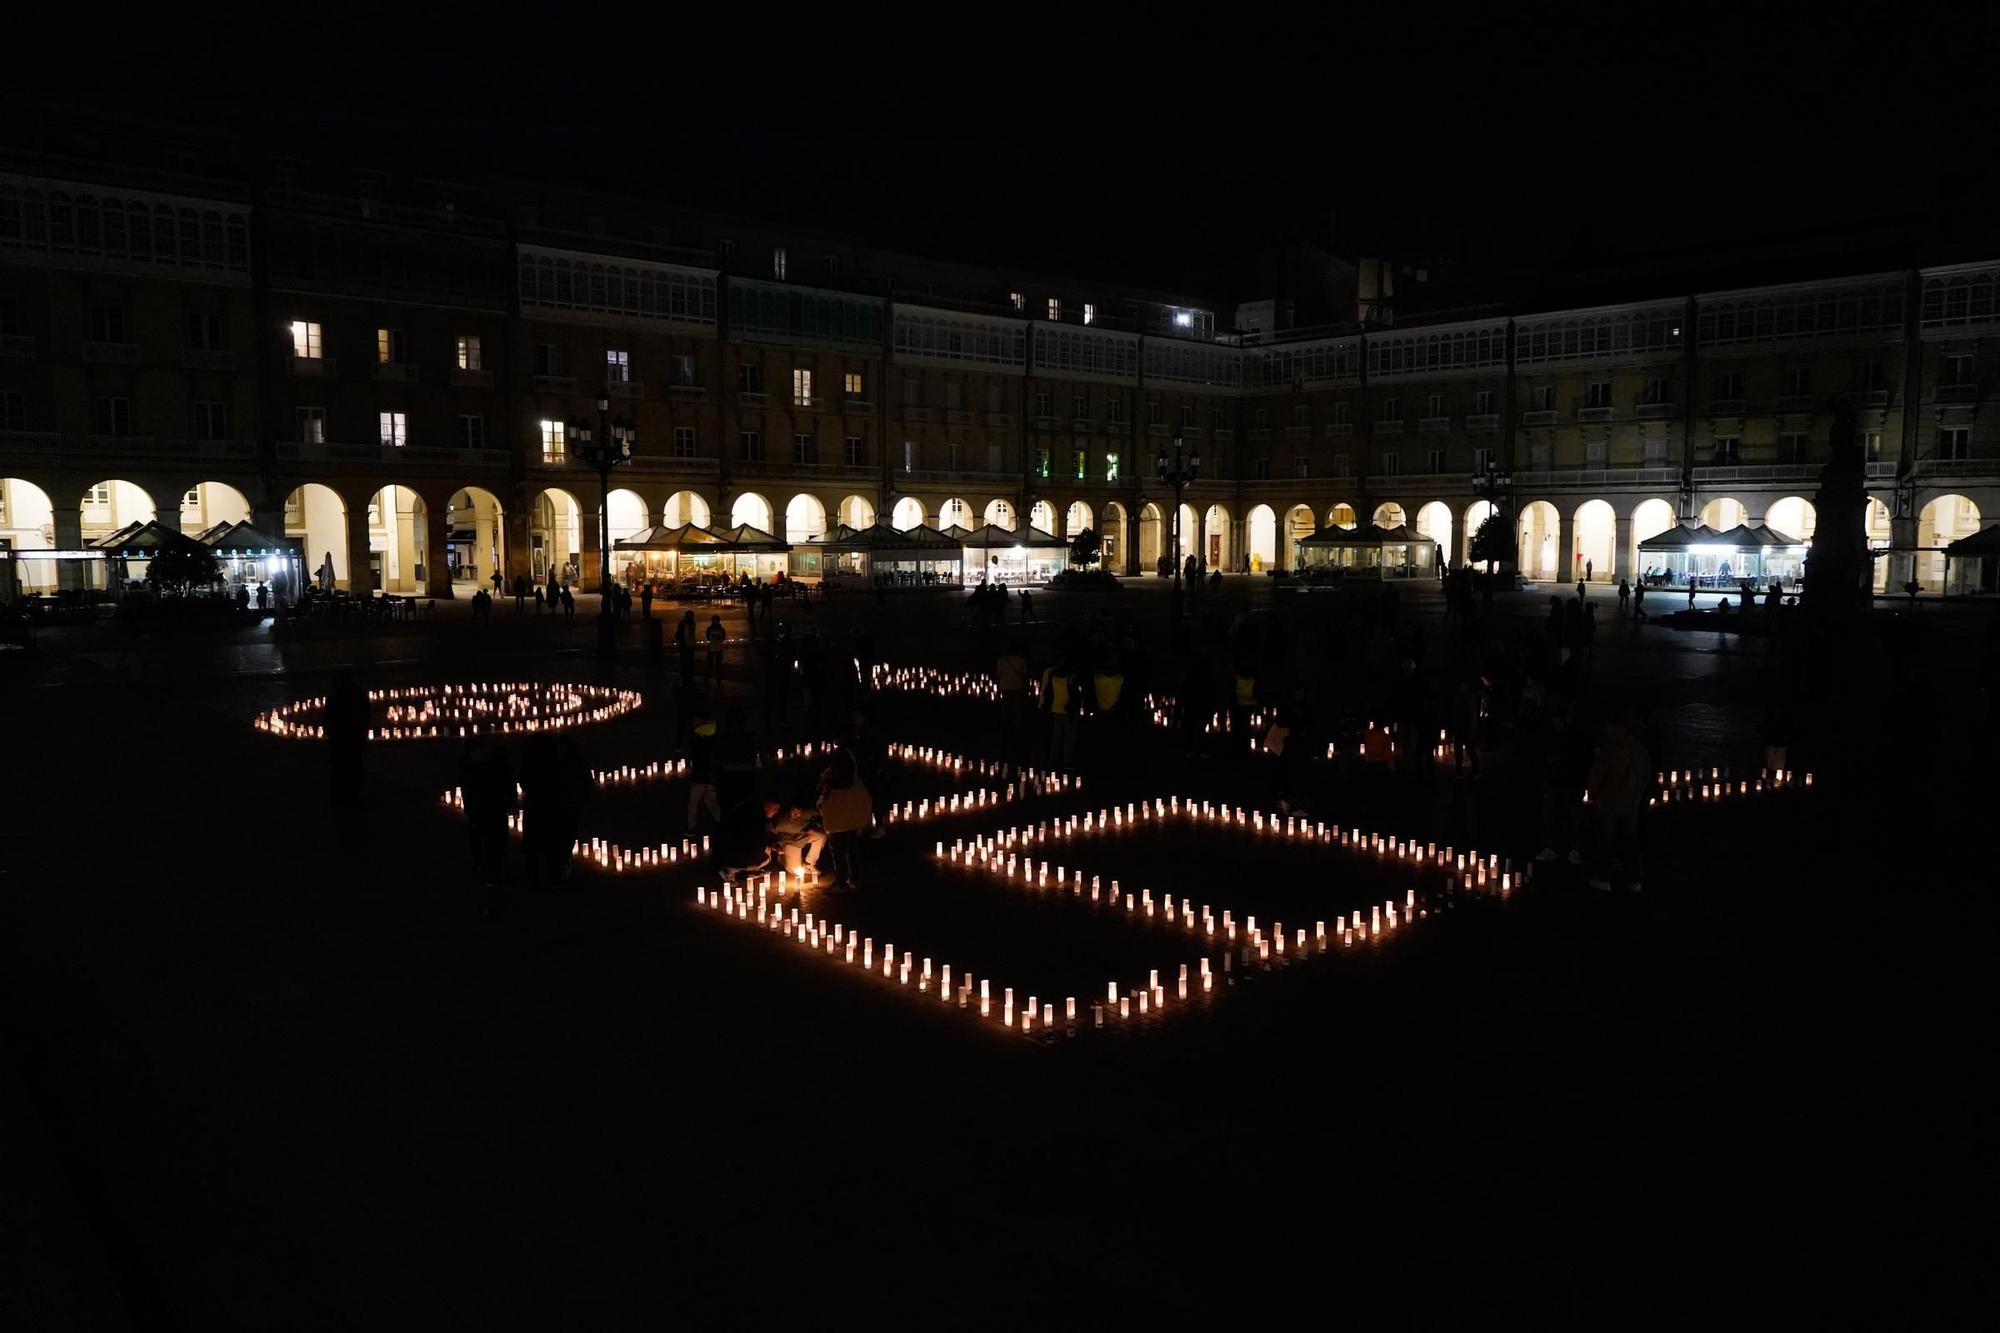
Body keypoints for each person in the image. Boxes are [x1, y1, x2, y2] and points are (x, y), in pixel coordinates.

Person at [1584, 713, 1651, 892]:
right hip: (1631, 805)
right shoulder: (1640, 751)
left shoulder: (1609, 750)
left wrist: (1592, 795)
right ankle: (1634, 881)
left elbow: (1597, 777)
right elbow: (1646, 777)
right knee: (1630, 841)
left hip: (1609, 804)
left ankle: (1604, 879)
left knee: (1606, 842)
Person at [520, 731, 589, 889]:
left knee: (534, 850)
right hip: (551, 813)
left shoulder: (530, 766)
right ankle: (555, 880)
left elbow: (524, 783)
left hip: (536, 812)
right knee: (551, 849)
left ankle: (535, 881)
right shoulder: (555, 765)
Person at [459, 732, 516, 916]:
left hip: (489, 810)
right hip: (485, 811)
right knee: (487, 838)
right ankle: (486, 868)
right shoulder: (474, 768)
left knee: (492, 839)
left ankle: (490, 869)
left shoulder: (486, 767)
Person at [817, 747, 872, 892]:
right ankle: (854, 879)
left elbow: (844, 782)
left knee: (839, 849)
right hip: (850, 815)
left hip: (840, 815)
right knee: (851, 848)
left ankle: (842, 883)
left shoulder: (842, 759)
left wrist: (827, 781)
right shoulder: (852, 756)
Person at [324, 672, 368, 809]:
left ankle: (340, 799)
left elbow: (327, 721)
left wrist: (331, 734)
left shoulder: (334, 699)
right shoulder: (359, 696)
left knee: (340, 769)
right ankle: (353, 797)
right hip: (354, 738)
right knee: (354, 767)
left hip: (339, 740)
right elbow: (367, 715)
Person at [685, 707, 721, 834]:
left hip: (699, 775)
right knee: (710, 801)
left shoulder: (698, 735)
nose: (692, 723)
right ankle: (724, 823)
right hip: (711, 776)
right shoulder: (713, 732)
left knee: (693, 803)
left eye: (695, 720)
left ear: (701, 721)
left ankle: (691, 828)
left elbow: (697, 755)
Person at [772, 799, 827, 877]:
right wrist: (777, 845)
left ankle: (809, 863)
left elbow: (817, 813)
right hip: (790, 842)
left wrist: (813, 826)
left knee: (821, 836)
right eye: (794, 812)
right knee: (795, 870)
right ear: (789, 810)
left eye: (799, 812)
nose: (797, 815)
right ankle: (783, 860)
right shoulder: (781, 820)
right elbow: (772, 833)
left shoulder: (804, 814)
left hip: (802, 837)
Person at [704, 613, 726, 692]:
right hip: (713, 647)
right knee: (710, 663)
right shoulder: (719, 629)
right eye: (714, 620)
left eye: (716, 620)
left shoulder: (713, 629)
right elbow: (723, 637)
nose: (715, 622)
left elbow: (708, 636)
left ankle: (716, 678)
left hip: (717, 648)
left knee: (717, 664)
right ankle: (708, 677)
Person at [676, 609, 698, 679]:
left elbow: (679, 633)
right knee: (688, 658)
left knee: (685, 659)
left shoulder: (684, 623)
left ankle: (686, 671)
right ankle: (688, 671)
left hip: (686, 643)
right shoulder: (691, 623)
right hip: (687, 643)